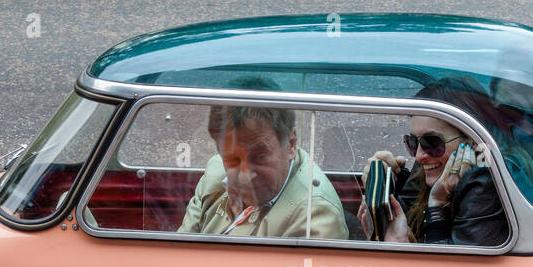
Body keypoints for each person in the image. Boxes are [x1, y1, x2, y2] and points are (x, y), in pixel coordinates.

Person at [179, 78, 348, 240]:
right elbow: (178, 252)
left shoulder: (316, 217)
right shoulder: (214, 172)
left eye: (259, 157)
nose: (245, 176)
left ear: (290, 144)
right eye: (232, 160)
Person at [357, 77, 510, 247]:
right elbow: (411, 219)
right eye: (413, 142)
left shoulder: (484, 183)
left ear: (473, 140)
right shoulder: (435, 159)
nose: (419, 156)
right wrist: (389, 184)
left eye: (432, 142)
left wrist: (436, 206)